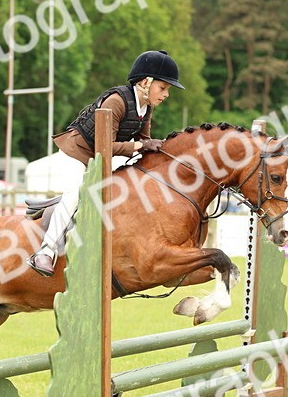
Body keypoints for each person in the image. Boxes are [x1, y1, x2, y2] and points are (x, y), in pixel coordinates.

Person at [28, 50, 184, 276]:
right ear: (145, 82)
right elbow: (108, 146)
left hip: (100, 158)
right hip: (78, 153)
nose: (166, 94)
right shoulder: (116, 102)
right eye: (163, 88)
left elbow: (144, 141)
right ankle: (45, 251)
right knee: (74, 196)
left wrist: (165, 151)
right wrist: (141, 146)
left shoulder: (145, 107)